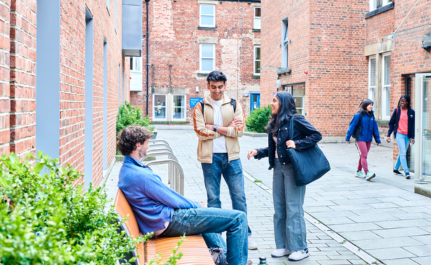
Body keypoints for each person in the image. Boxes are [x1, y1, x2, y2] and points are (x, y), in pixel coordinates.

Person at [117, 126, 251, 265]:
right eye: (147, 142)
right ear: (138, 145)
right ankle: (235, 261)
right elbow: (171, 199)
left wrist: (197, 207)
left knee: (206, 216)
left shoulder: (128, 169)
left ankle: (226, 258)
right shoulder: (141, 175)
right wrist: (196, 205)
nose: (148, 145)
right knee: (238, 219)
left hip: (161, 221)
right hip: (171, 221)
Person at [247, 92, 322, 262]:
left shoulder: (296, 119)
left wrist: (297, 144)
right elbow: (274, 149)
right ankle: (284, 246)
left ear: (284, 103)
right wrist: (258, 152)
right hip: (277, 168)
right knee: (280, 209)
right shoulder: (275, 123)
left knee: (294, 209)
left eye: (274, 101)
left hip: (292, 169)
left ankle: (301, 248)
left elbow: (316, 135)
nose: (271, 103)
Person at [192, 71, 258, 250]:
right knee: (213, 199)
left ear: (225, 86)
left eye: (220, 87)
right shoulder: (201, 106)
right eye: (213, 87)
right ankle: (216, 241)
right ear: (208, 86)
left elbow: (239, 131)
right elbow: (199, 131)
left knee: (239, 198)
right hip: (209, 158)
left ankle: (245, 235)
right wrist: (225, 129)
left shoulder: (234, 104)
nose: (217, 90)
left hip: (232, 158)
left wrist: (213, 127)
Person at [345, 99, 381, 181]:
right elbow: (351, 127)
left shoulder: (372, 116)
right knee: (364, 154)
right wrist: (348, 137)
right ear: (365, 106)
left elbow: (375, 128)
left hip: (368, 139)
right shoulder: (358, 115)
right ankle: (367, 172)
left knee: (363, 155)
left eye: (372, 105)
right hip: (360, 138)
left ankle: (358, 171)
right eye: (369, 105)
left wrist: (377, 140)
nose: (371, 106)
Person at [386, 94, 416, 179]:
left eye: (404, 101)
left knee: (402, 152)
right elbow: (391, 123)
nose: (402, 102)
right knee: (403, 152)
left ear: (407, 102)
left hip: (408, 135)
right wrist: (388, 135)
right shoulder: (396, 111)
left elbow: (413, 125)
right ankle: (406, 171)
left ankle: (396, 169)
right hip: (399, 134)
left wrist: (413, 137)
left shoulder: (412, 112)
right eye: (401, 101)